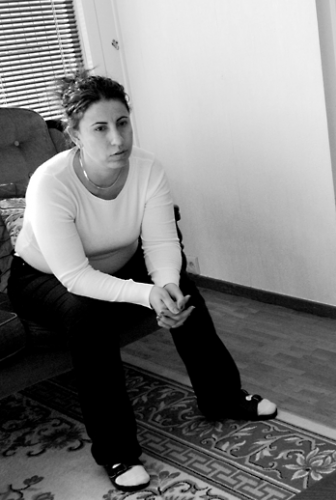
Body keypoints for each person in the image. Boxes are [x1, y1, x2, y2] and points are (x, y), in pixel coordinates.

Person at [7, 70, 277, 492]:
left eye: (122, 123)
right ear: (74, 135)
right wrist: (147, 295)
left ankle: (222, 396)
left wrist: (166, 288)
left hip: (119, 262)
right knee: (87, 316)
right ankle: (116, 451)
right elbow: (75, 276)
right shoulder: (51, 182)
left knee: (183, 291)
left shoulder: (147, 168)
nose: (117, 139)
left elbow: (161, 242)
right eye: (100, 128)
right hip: (45, 278)